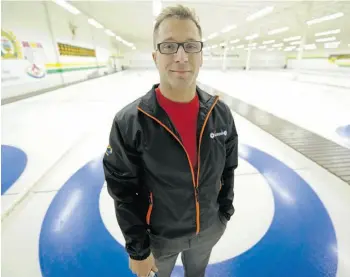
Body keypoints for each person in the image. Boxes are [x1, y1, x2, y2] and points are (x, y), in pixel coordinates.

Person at [103, 4, 238, 277]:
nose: (180, 56)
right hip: (159, 238)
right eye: (168, 46)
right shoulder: (130, 122)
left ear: (201, 55)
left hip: (208, 230)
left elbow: (228, 168)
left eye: (190, 46)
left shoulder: (220, 113)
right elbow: (124, 193)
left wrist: (224, 212)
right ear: (155, 56)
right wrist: (138, 251)